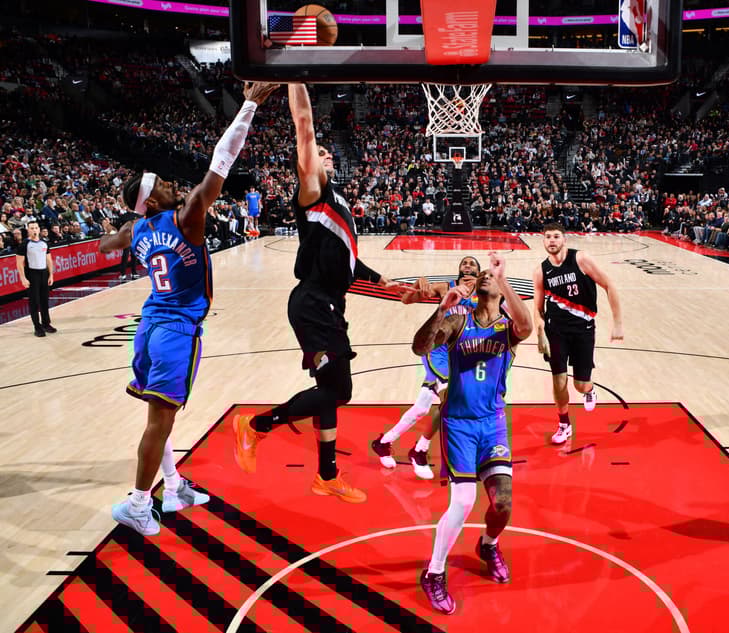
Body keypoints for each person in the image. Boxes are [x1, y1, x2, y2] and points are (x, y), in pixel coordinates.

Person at [99, 81, 278, 536]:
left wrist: (124, 227)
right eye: (160, 183)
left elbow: (105, 244)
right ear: (155, 201)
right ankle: (139, 503)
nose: (169, 182)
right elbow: (222, 161)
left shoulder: (137, 231)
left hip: (151, 324)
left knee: (160, 414)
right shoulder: (187, 217)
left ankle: (173, 486)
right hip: (176, 329)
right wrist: (250, 105)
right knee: (160, 419)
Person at [233, 84, 402, 503]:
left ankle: (326, 475)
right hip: (311, 303)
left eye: (328, 154)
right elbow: (304, 128)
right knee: (339, 390)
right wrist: (296, 74)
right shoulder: (313, 194)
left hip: (329, 304)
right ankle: (255, 426)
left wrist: (384, 283)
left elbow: (347, 262)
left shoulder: (339, 203)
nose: (325, 155)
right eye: (321, 154)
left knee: (330, 390)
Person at [414, 251, 533, 615]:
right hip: (458, 424)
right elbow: (421, 346)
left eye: (488, 275)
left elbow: (527, 326)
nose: (483, 276)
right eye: (480, 275)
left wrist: (504, 278)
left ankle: (488, 544)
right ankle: (434, 573)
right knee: (464, 501)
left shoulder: (508, 329)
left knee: (503, 502)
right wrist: (441, 309)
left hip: (492, 421)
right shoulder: (458, 321)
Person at [372, 256, 481, 479]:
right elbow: (407, 299)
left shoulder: (486, 294)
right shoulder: (446, 287)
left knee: (422, 408)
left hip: (462, 354)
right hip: (438, 351)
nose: (467, 266)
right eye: (464, 263)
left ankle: (383, 442)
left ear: (479, 272)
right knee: (451, 400)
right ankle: (419, 450)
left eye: (472, 264)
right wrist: (417, 285)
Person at [533, 222, 624, 444]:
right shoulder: (541, 270)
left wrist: (618, 323)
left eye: (556, 236)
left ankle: (589, 390)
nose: (552, 241)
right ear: (543, 241)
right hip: (556, 331)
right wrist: (540, 334)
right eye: (548, 237)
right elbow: (537, 308)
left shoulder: (580, 259)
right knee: (559, 381)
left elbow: (609, 285)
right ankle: (564, 424)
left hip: (583, 329)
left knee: (579, 384)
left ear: (564, 239)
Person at [15, 220, 56, 337]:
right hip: (32, 274)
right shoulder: (24, 244)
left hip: (44, 273)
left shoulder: (44, 243)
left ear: (39, 229)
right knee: (34, 302)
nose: (34, 230)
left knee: (44, 300)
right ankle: (37, 327)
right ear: (28, 230)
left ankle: (46, 324)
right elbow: (19, 263)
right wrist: (23, 278)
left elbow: (49, 260)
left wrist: (51, 275)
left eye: (36, 228)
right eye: (32, 228)